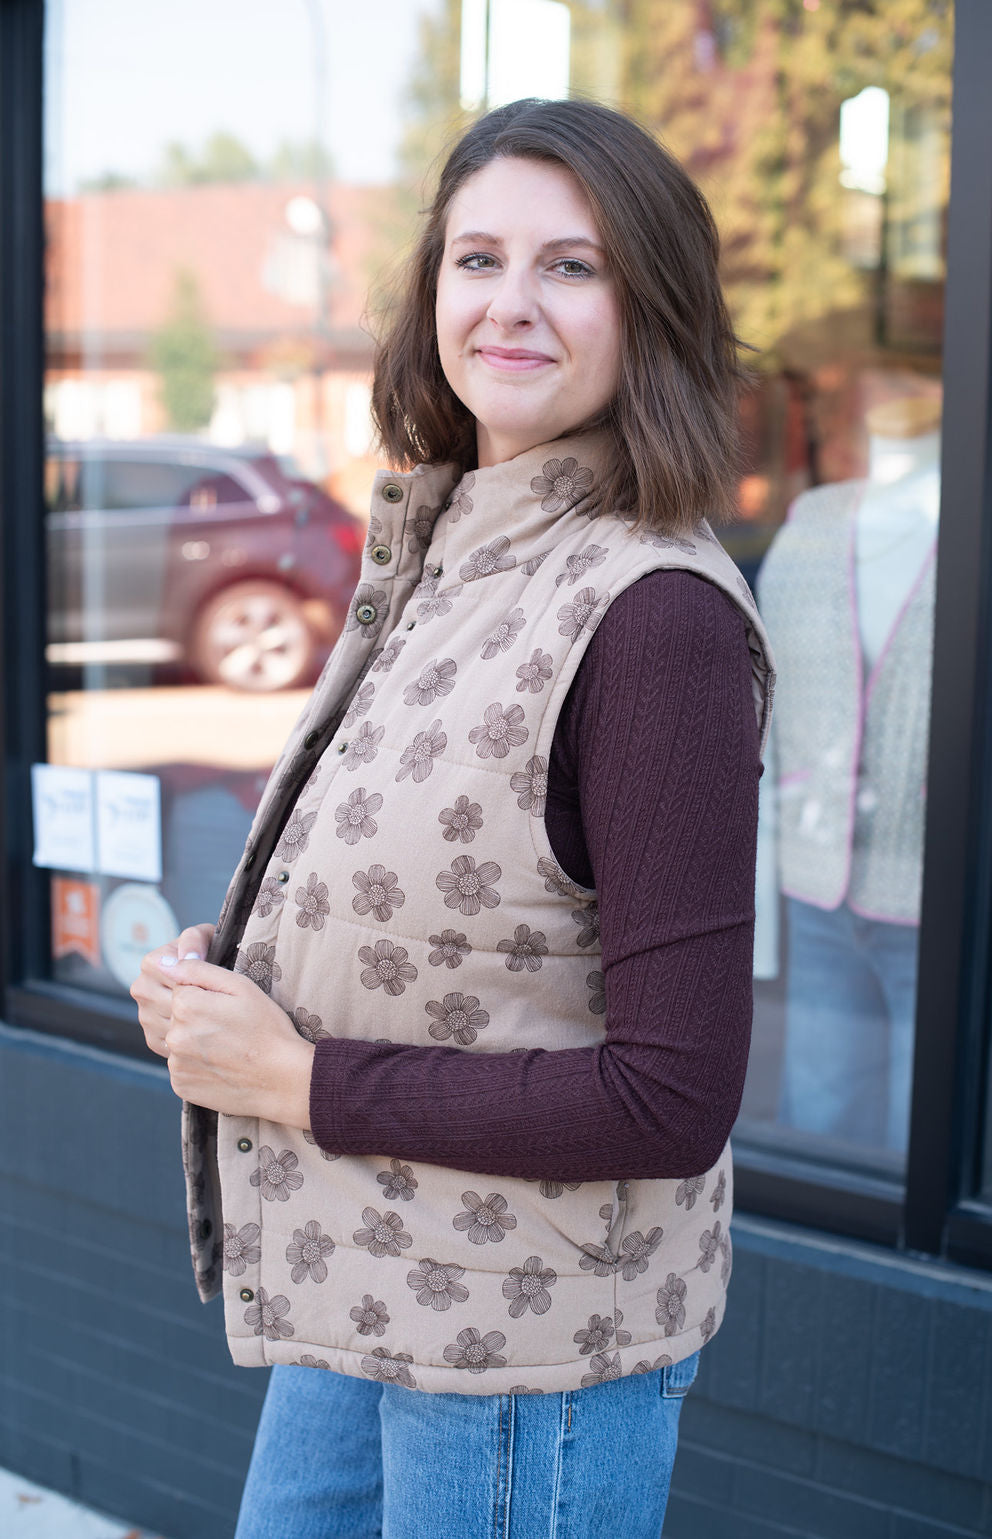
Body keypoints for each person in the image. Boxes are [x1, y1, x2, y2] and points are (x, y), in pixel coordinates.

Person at [131, 97, 775, 1539]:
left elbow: (671, 1099)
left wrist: (294, 1079)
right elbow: (459, 912)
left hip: (522, 1363)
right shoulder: (447, 555)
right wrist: (234, 985)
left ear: (648, 306)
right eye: (478, 259)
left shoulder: (650, 614)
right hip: (357, 1278)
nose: (511, 304)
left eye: (572, 265)